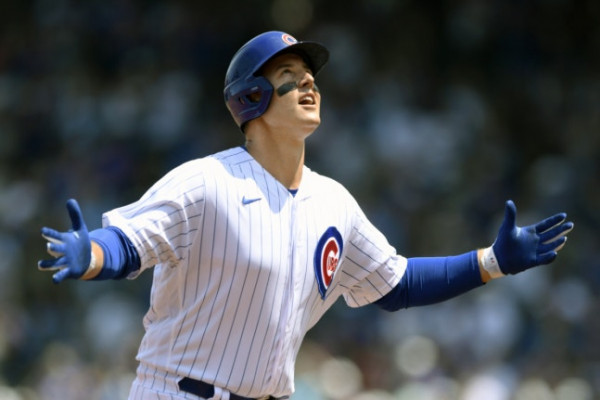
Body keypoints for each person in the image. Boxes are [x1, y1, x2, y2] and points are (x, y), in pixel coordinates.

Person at [38, 31, 574, 400]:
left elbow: (397, 285)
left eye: (311, 75)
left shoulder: (333, 201)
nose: (310, 83)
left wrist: (492, 261)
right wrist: (92, 254)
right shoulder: (205, 181)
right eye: (290, 75)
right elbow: (128, 244)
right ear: (252, 97)